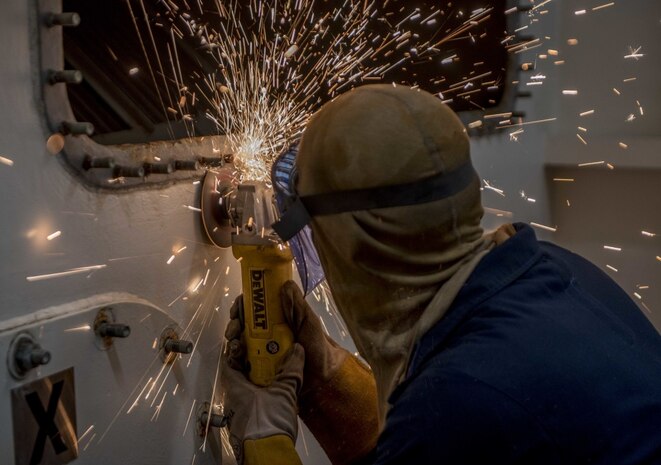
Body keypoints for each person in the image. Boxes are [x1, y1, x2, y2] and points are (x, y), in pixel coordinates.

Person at [221, 84, 661, 465]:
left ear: (354, 244)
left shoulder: (457, 398)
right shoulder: (552, 268)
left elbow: (441, 430)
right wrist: (326, 379)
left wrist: (265, 442)